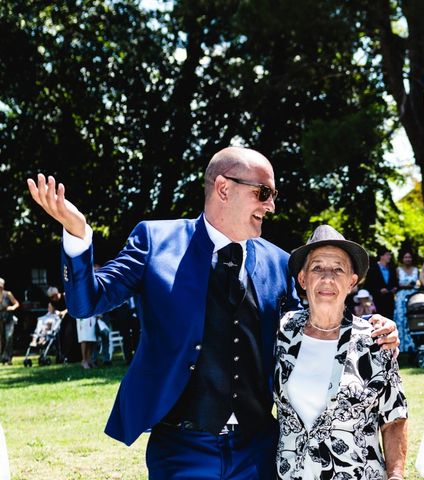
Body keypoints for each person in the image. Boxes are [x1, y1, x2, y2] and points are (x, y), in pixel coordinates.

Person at [27, 146, 398, 478]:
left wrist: (370, 329)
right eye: (263, 193)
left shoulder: (278, 261)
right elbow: (85, 302)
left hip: (258, 450)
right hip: (181, 447)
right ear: (223, 188)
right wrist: (78, 236)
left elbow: (318, 325)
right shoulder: (155, 241)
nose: (271, 206)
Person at [275, 225, 408, 480]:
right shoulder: (282, 332)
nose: (327, 278)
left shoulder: (375, 340)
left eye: (338, 269)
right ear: (303, 279)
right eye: (317, 268)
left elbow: (394, 418)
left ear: (352, 281)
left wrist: (396, 476)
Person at [47, 286, 81, 364]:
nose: (52, 299)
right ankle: (63, 356)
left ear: (56, 294)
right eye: (50, 297)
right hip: (60, 321)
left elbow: (72, 306)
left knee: (70, 336)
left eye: (53, 296)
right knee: (61, 337)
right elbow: (51, 312)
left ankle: (75, 357)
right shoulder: (52, 302)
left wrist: (63, 312)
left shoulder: (65, 296)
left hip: (70, 319)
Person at [394, 250, 420, 352]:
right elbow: (395, 284)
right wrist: (405, 286)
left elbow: (419, 283)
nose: (408, 259)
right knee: (401, 319)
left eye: (409, 257)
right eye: (405, 257)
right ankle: (400, 346)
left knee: (411, 319)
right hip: (401, 297)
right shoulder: (398, 270)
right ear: (402, 259)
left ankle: (412, 345)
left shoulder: (416, 270)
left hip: (413, 297)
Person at [364, 248, 398, 319]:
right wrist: (379, 290)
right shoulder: (373, 269)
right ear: (381, 256)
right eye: (387, 255)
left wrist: (394, 288)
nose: (390, 257)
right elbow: (367, 285)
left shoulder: (392, 268)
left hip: (390, 301)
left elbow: (395, 282)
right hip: (377, 300)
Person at [0, 277, 20, 365]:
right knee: (2, 339)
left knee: (9, 337)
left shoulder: (8, 294)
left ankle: (8, 358)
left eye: (1, 285)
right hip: (0, 318)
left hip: (8, 317)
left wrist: (11, 307)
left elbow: (16, 303)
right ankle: (2, 358)